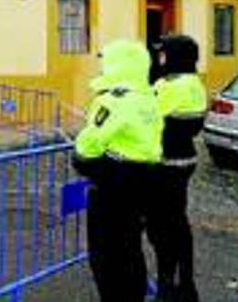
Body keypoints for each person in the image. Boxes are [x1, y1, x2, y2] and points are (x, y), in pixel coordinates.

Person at [72, 39, 164, 302]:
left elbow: (89, 146)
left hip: (114, 182)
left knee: (105, 254)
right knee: (130, 248)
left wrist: (80, 157)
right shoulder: (148, 97)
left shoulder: (113, 100)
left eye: (106, 62)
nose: (102, 67)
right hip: (145, 179)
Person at [146, 35, 208, 302]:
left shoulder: (171, 86)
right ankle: (186, 282)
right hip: (185, 160)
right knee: (178, 223)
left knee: (161, 228)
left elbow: (147, 114)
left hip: (164, 165)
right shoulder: (194, 82)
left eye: (164, 54)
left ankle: (167, 284)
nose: (160, 58)